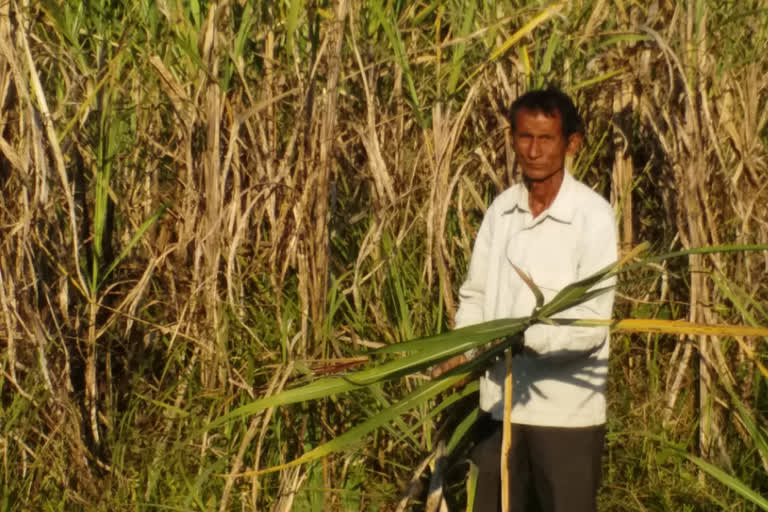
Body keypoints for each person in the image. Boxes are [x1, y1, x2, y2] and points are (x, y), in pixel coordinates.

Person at [433, 88, 617, 512]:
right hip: (499, 410)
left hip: (565, 418)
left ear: (571, 143)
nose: (532, 151)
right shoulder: (502, 211)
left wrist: (521, 338)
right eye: (523, 137)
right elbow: (476, 296)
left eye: (546, 139)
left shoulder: (592, 216)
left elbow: (592, 323)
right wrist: (465, 350)